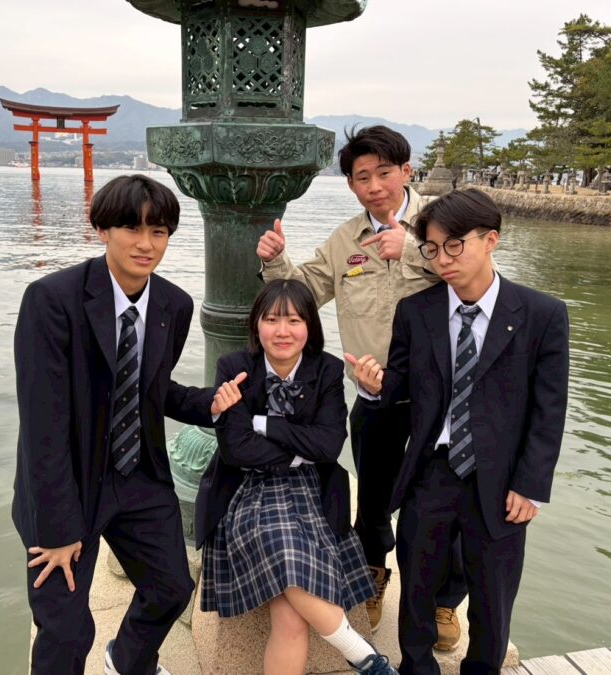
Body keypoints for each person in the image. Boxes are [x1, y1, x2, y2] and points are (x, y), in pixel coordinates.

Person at [11, 174, 247, 675]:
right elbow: (42, 426)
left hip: (136, 475)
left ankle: (128, 661)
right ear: (102, 229)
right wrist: (57, 530)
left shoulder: (174, 305)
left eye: (158, 232)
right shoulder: (51, 300)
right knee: (65, 630)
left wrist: (212, 404)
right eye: (131, 229)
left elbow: (150, 390)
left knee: (171, 587)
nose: (146, 244)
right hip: (70, 482)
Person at [257, 125, 467, 643]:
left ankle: (444, 602)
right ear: (350, 184)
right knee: (372, 498)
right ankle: (372, 573)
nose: (374, 186)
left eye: (384, 173)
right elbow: (305, 292)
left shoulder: (445, 225)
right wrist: (275, 260)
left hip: (447, 394)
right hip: (375, 394)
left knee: (447, 500)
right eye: (362, 177)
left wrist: (416, 250)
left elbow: (479, 282)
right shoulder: (345, 241)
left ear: (407, 172)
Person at [346, 188, 569, 674]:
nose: (442, 259)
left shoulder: (541, 315)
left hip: (502, 479)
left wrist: (531, 485)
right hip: (432, 469)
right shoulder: (417, 312)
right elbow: (399, 387)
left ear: (491, 240)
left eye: (454, 245)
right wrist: (372, 386)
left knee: (492, 596)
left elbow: (549, 409)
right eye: (431, 248)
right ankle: (417, 668)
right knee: (417, 586)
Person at [194, 279, 396, 675]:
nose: (282, 331)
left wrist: (262, 424)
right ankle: (364, 656)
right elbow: (236, 450)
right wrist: (299, 449)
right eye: (271, 320)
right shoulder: (234, 367)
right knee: (286, 552)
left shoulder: (327, 370)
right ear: (256, 325)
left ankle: (366, 659)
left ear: (310, 327)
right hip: (246, 490)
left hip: (313, 490)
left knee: (290, 617)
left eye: (293, 320)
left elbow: (328, 445)